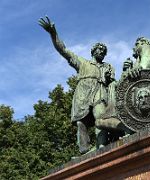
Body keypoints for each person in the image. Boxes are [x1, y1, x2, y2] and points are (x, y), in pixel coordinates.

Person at [38, 16, 115, 153]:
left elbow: (112, 83)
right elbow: (64, 50)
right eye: (99, 49)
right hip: (83, 93)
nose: (102, 52)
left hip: (100, 91)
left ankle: (102, 146)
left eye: (104, 51)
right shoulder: (83, 63)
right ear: (93, 51)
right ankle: (84, 152)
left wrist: (109, 78)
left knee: (101, 116)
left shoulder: (107, 66)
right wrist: (53, 33)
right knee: (81, 122)